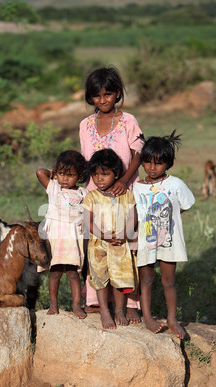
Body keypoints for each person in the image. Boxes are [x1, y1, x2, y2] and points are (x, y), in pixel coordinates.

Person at [79, 66, 143, 317]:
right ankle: (95, 299)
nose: (102, 100)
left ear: (117, 94)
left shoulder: (128, 121)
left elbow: (138, 152)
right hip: (96, 197)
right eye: (96, 96)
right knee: (97, 246)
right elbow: (86, 161)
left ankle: (131, 304)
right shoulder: (85, 125)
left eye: (107, 94)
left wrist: (125, 180)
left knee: (126, 246)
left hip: (123, 194)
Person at [133, 131, 195, 339]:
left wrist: (168, 219)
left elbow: (184, 205)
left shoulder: (175, 184)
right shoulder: (137, 187)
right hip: (146, 240)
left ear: (168, 164)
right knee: (147, 279)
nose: (152, 167)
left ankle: (171, 318)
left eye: (158, 163)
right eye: (148, 162)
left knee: (169, 280)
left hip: (170, 240)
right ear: (142, 162)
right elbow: (134, 214)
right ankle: (148, 317)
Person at [83, 149, 138, 330]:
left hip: (121, 245)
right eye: (95, 175)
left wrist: (126, 234)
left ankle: (120, 310)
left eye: (105, 174)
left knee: (119, 278)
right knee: (100, 278)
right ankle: (105, 310)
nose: (99, 179)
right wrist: (104, 235)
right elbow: (87, 221)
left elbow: (133, 217)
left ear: (116, 175)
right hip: (99, 245)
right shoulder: (92, 197)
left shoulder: (126, 195)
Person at [36, 150, 88, 319]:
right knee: (55, 271)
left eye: (71, 175)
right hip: (55, 236)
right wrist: (53, 174)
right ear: (56, 172)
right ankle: (53, 305)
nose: (65, 178)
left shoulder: (82, 193)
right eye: (62, 173)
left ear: (79, 176)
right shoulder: (54, 188)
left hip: (72, 237)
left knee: (73, 273)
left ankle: (76, 305)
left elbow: (88, 213)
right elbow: (39, 172)